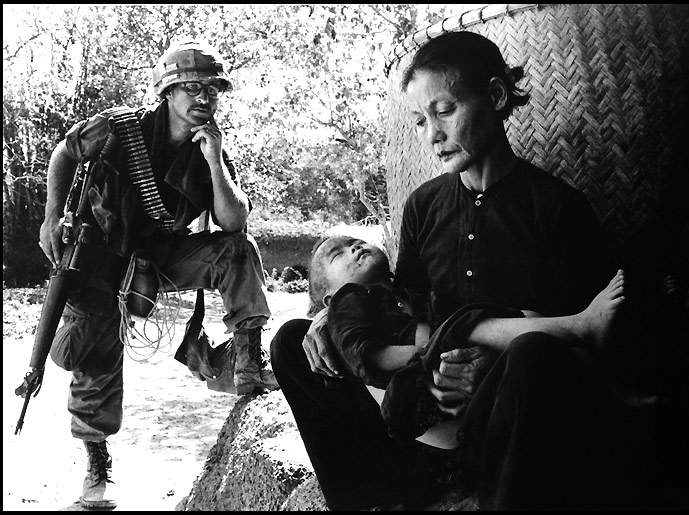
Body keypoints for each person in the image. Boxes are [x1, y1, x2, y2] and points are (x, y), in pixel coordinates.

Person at [271, 31, 652, 510]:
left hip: (504, 420)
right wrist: (332, 316)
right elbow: (401, 304)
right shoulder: (423, 206)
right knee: (293, 341)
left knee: (533, 355)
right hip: (424, 412)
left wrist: (487, 367)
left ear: (495, 96)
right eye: (419, 121)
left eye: (445, 111)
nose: (432, 134)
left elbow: (580, 343)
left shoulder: (554, 208)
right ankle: (375, 501)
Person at [38, 40, 277, 509]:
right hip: (99, 256)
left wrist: (214, 160)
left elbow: (233, 222)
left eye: (212, 89)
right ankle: (97, 459)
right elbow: (64, 153)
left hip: (160, 257)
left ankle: (248, 361)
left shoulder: (209, 147)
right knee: (94, 353)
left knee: (237, 251)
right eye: (192, 88)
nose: (204, 98)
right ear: (167, 92)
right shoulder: (118, 127)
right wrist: (52, 216)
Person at [309, 234, 627, 447]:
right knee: (465, 323)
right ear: (330, 301)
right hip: (413, 392)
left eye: (356, 241)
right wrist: (420, 352)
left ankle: (615, 392)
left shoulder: (405, 295)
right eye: (339, 254)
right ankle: (580, 326)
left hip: (448, 373)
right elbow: (366, 357)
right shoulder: (347, 307)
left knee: (524, 318)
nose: (354, 247)